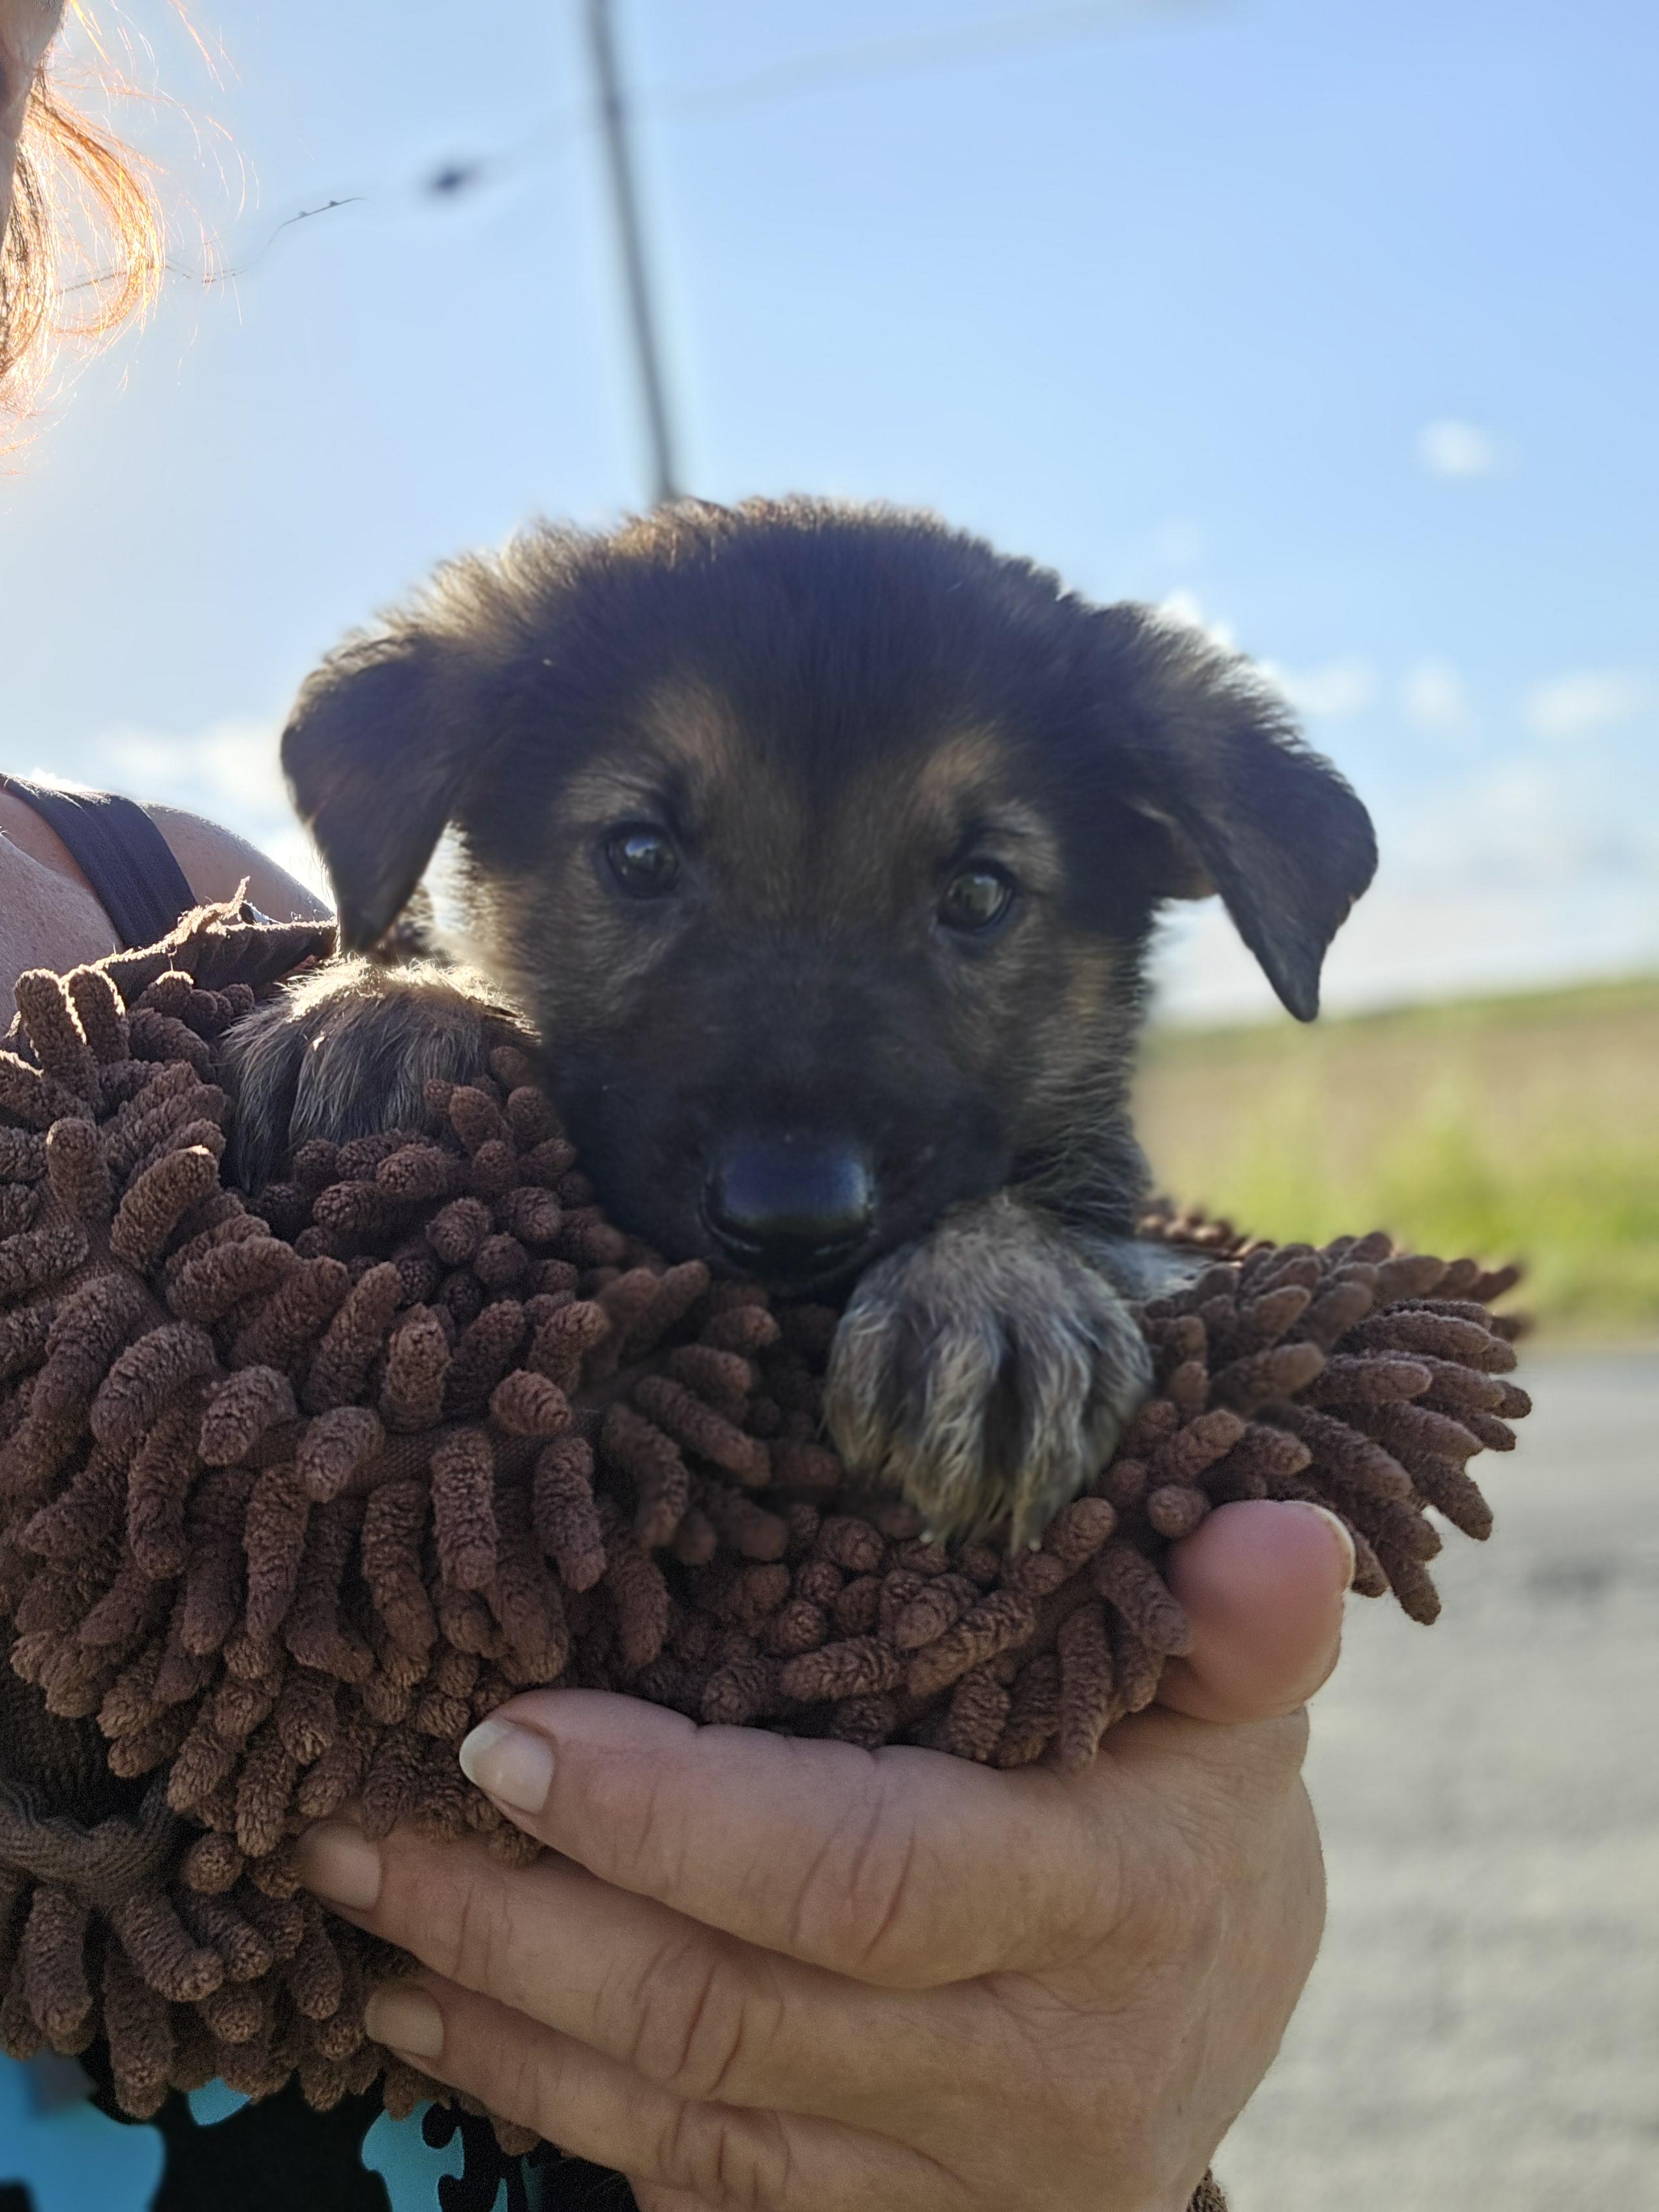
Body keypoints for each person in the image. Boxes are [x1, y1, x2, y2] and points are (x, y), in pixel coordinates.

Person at [1, 7, 1349, 2205]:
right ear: (459, 833)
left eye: (972, 896)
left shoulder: (172, 910)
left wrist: (1120, 2020)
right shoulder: (280, 997)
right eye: (649, 862)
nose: (798, 1094)